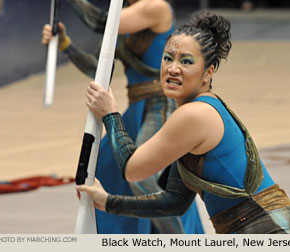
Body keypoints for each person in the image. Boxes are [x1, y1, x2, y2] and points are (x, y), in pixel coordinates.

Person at [77, 10, 290, 234]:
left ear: (209, 72)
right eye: (168, 58)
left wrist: (110, 114)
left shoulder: (194, 116)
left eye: (186, 62)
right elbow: (174, 202)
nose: (173, 68)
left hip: (272, 230)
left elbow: (133, 169)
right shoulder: (197, 113)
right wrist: (108, 202)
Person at [42, 0, 204, 234]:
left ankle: (178, 241)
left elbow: (101, 21)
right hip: (138, 108)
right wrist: (66, 44)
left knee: (143, 176)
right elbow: (96, 68)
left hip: (159, 107)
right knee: (103, 171)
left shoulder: (156, 7)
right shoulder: (123, 23)